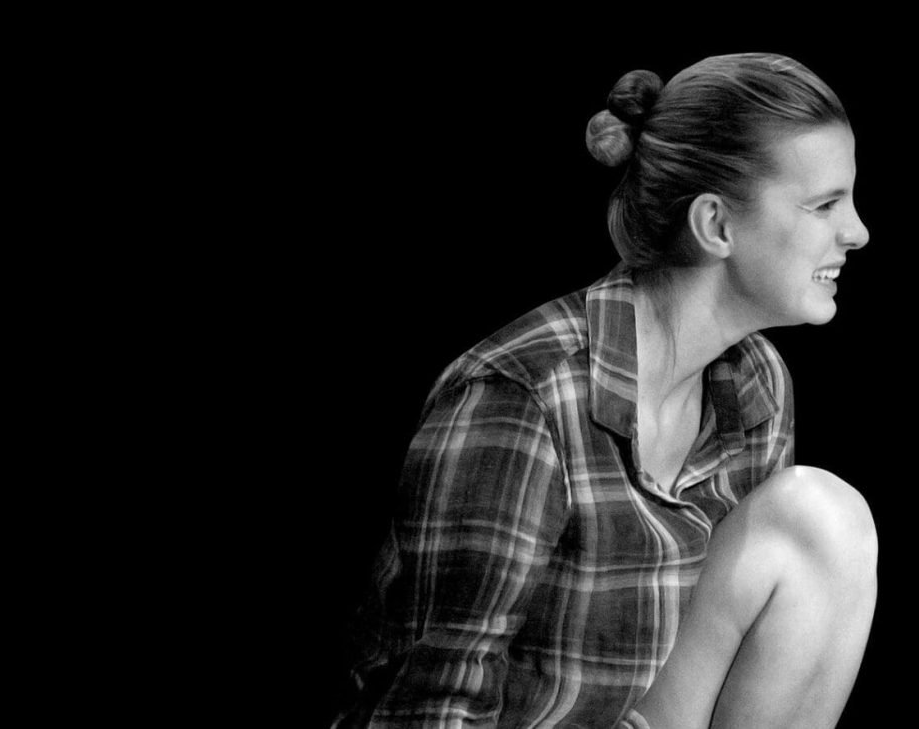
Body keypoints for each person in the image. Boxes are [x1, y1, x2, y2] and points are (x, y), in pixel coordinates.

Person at [337, 53, 878, 729]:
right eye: (824, 204)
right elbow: (430, 709)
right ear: (716, 225)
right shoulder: (520, 397)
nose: (857, 232)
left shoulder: (754, 383)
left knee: (820, 518)